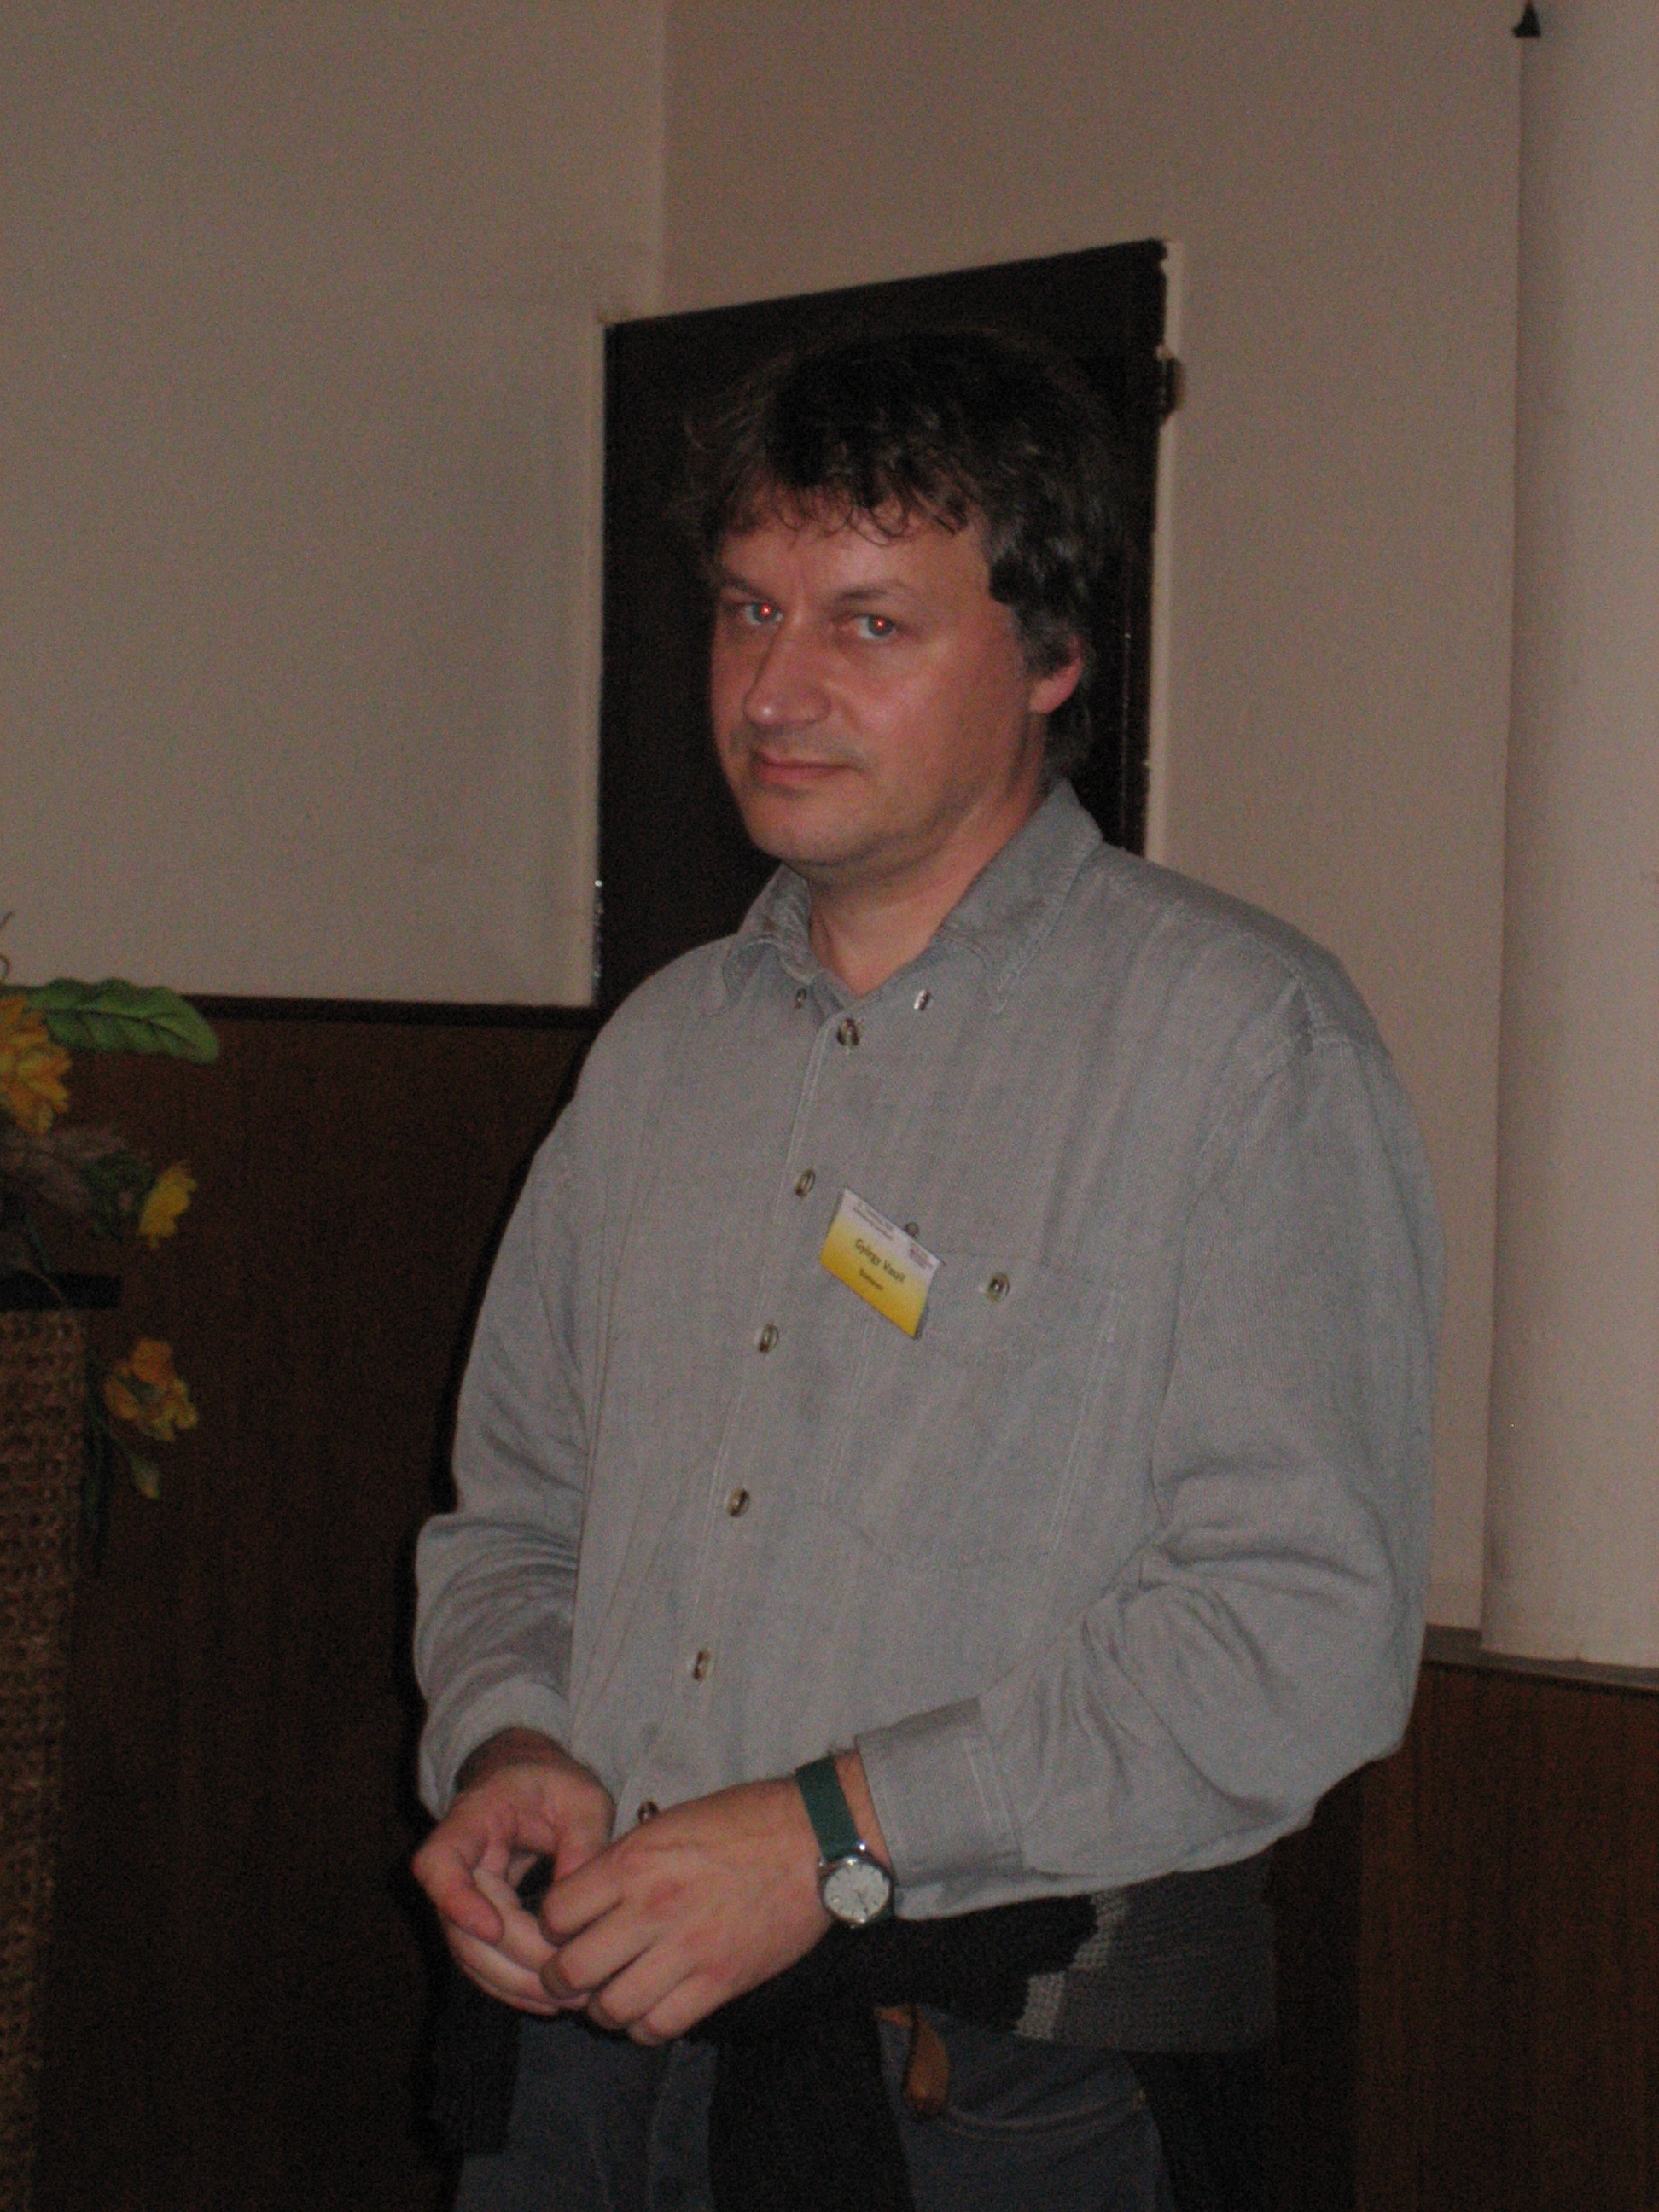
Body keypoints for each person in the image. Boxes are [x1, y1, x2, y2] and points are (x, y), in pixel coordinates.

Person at [411, 327, 1442, 2212]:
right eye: (749, 607)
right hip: (584, 2058)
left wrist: (831, 1836)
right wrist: (512, 1739)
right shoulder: (657, 1056)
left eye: (870, 624)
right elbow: (520, 1517)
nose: (775, 687)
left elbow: (1294, 1632)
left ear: (1051, 655)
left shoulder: (1239, 1045)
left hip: (980, 2093)